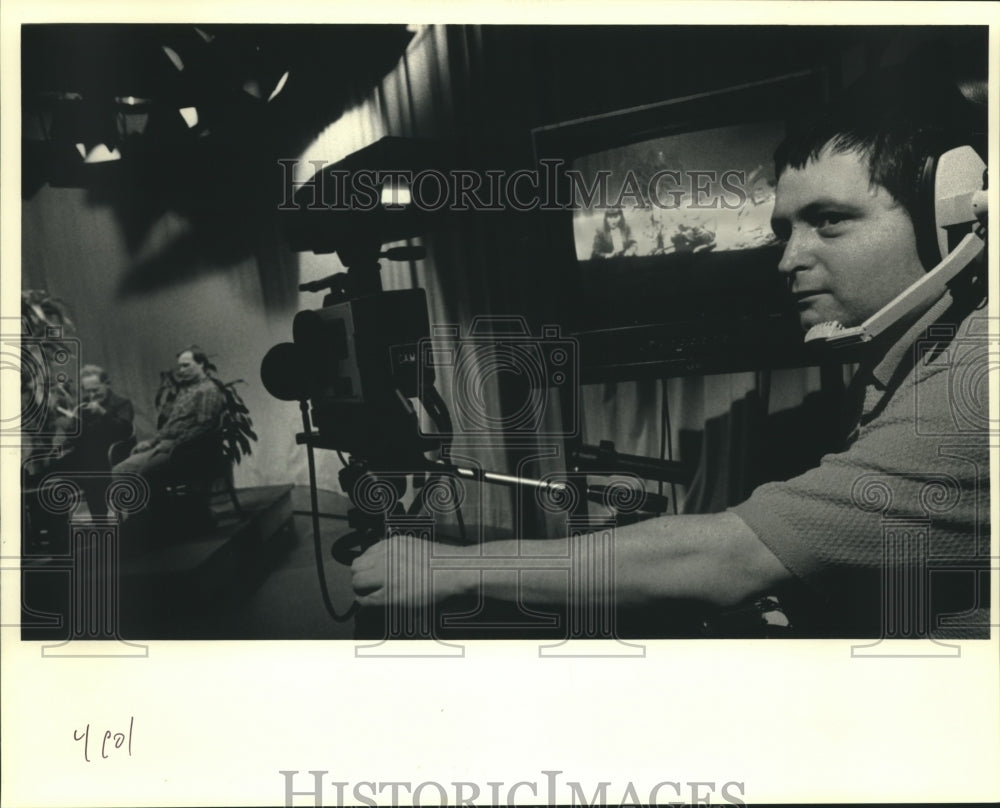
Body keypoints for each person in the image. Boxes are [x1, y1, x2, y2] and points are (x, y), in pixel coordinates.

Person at [351, 81, 989, 639]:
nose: (788, 260)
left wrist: (446, 568)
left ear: (952, 218)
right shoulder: (919, 353)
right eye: (783, 231)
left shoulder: (976, 380)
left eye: (829, 222)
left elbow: (730, 557)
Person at [111, 347, 226, 489]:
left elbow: (203, 427)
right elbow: (172, 424)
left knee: (144, 476)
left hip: (188, 452)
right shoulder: (186, 390)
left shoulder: (208, 390)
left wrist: (174, 444)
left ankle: (159, 511)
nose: (181, 370)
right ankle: (141, 511)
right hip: (167, 446)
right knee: (121, 470)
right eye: (180, 366)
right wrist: (152, 442)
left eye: (186, 366)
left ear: (201, 364)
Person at [50, 364, 135, 517]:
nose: (92, 395)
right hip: (86, 457)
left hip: (112, 459)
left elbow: (125, 430)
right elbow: (78, 439)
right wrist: (69, 428)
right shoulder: (84, 406)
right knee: (50, 473)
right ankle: (58, 533)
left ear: (107, 384)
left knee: (91, 478)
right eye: (88, 391)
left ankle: (101, 525)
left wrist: (103, 413)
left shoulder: (122, 403)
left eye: (96, 390)